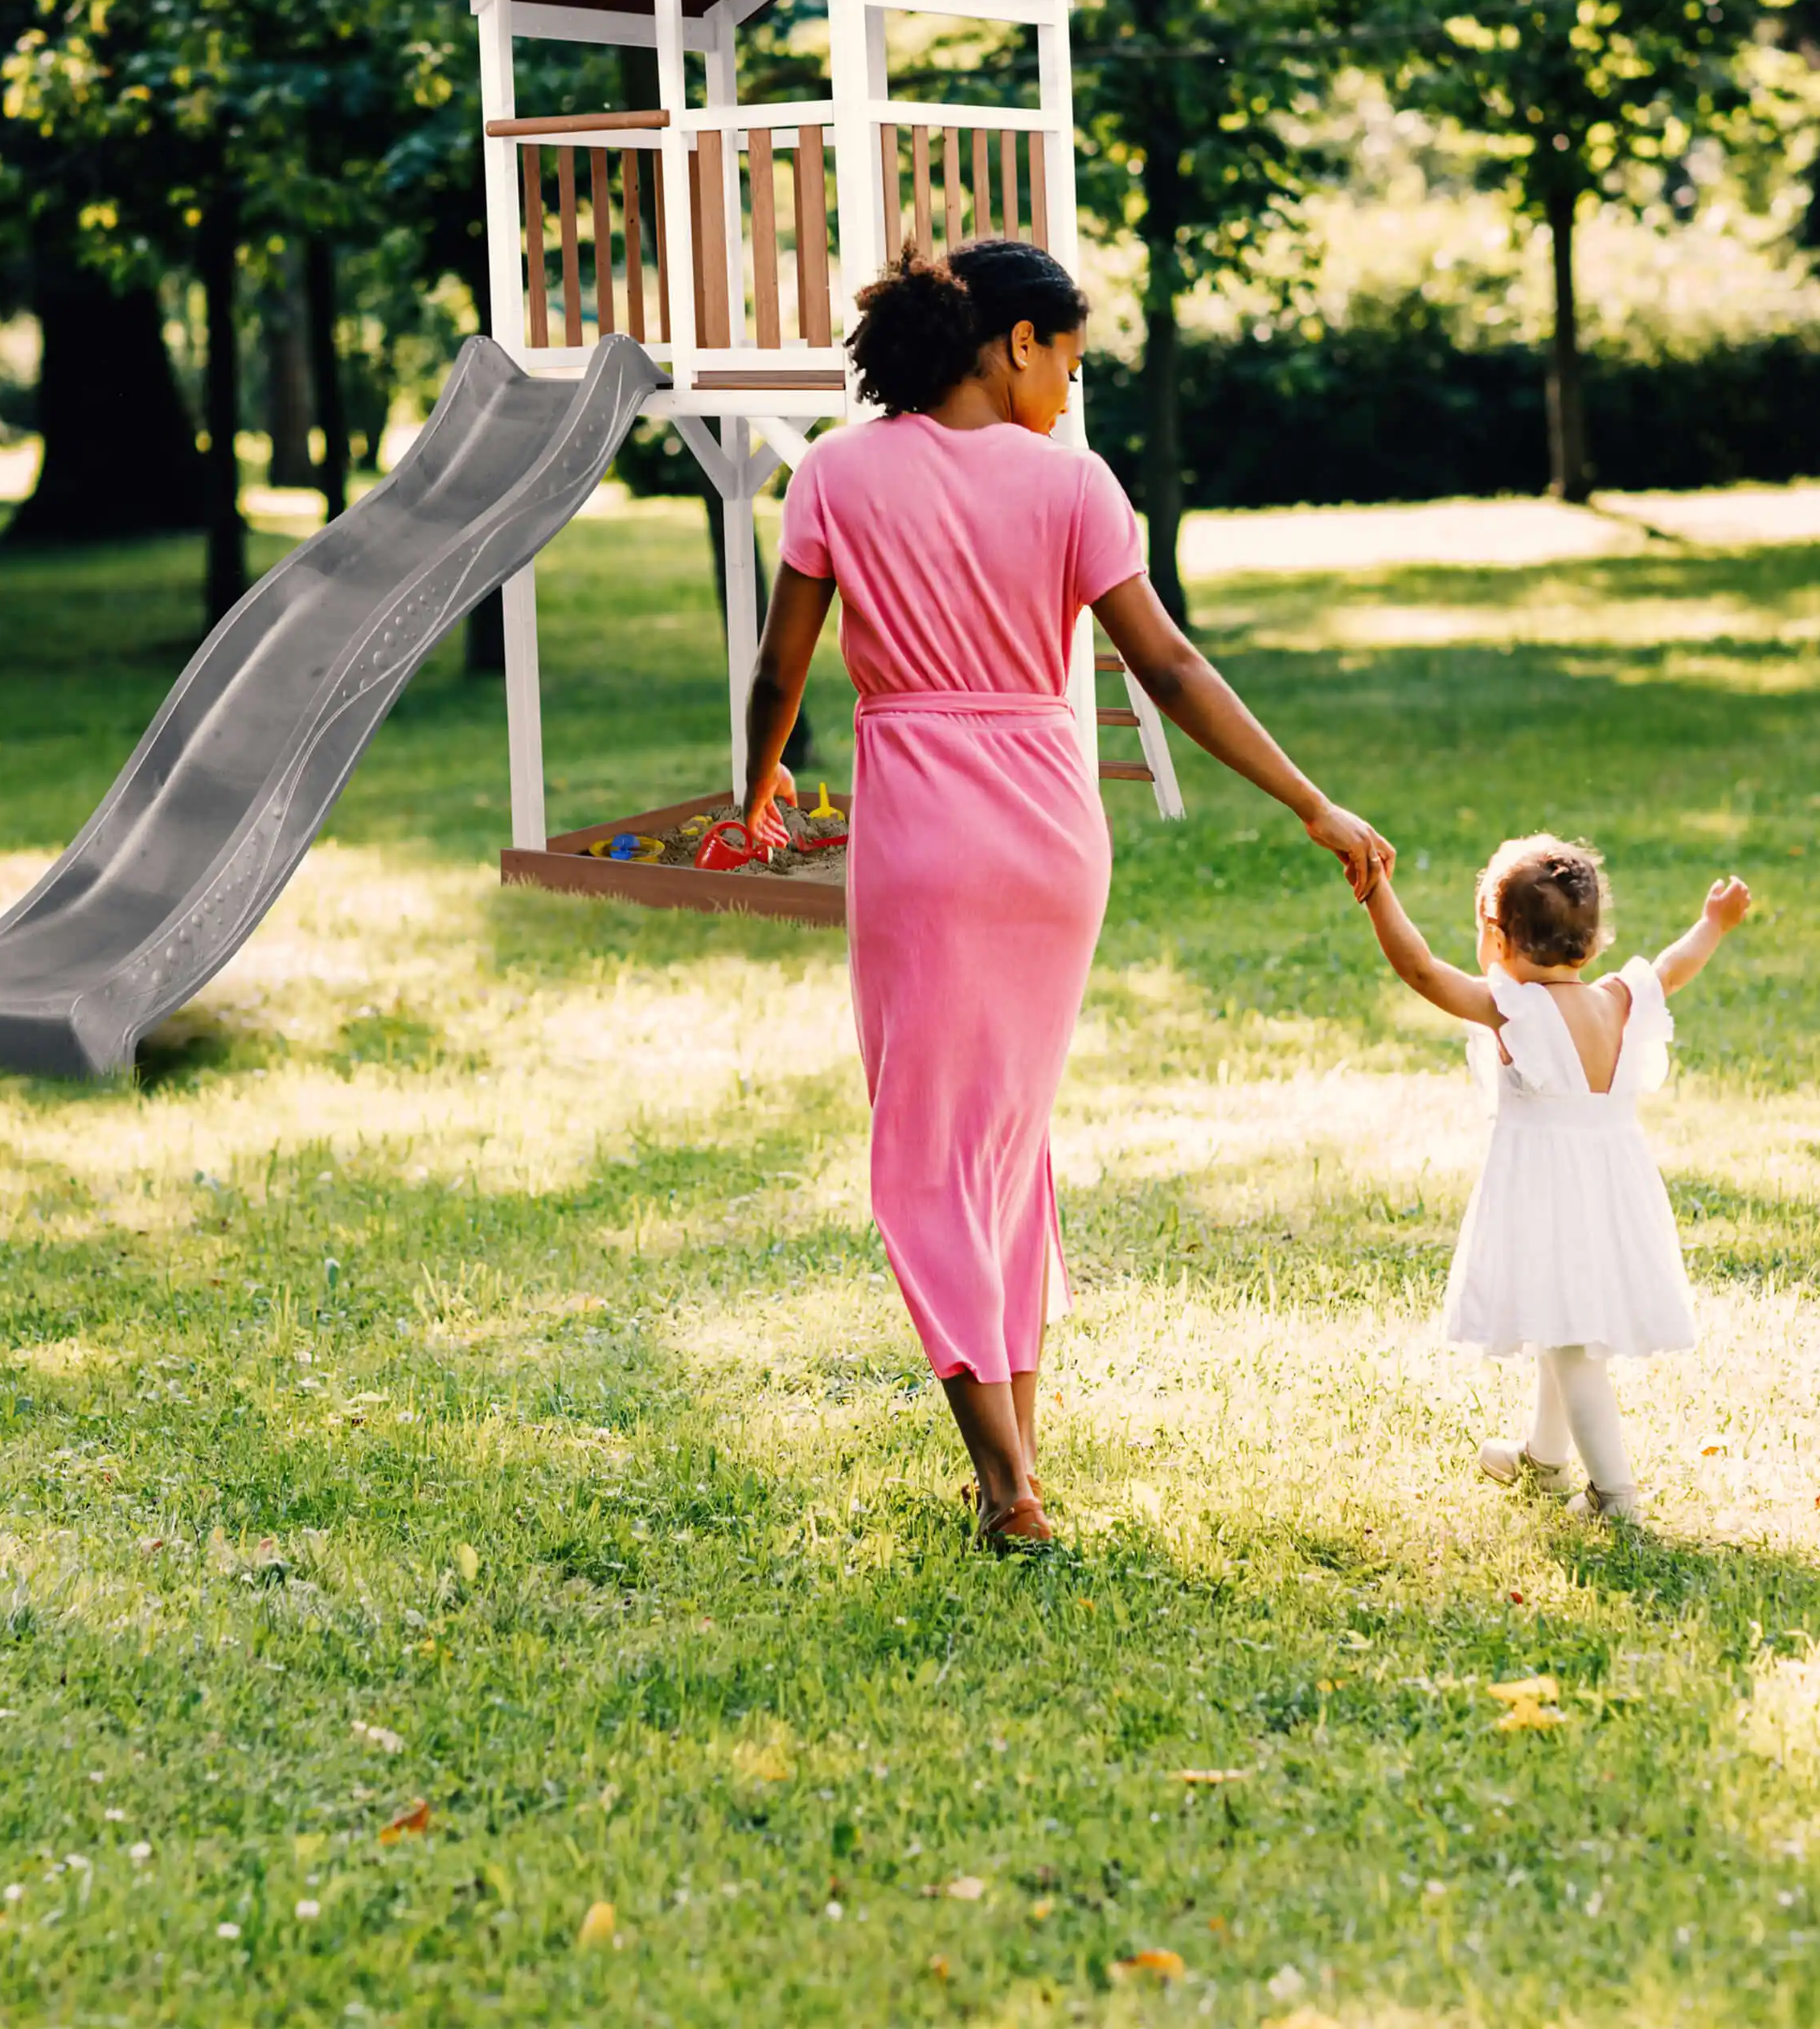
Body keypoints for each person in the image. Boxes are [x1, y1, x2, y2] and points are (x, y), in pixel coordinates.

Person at [738, 241, 1393, 1551]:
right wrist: (1310, 800)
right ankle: (1017, 1462)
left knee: (928, 1153)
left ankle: (1004, 1484)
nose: (1070, 392)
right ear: (1013, 342)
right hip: (1050, 836)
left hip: (923, 836)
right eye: (1069, 363)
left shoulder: (835, 473)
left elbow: (781, 673)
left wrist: (753, 791)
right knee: (1004, 1143)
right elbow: (1170, 668)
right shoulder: (1076, 487)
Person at [1359, 833, 1752, 1521]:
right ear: (1593, 942)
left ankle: (1615, 1496)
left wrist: (1376, 890)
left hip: (1549, 1195)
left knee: (1572, 1345)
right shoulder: (1621, 998)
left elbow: (1420, 970)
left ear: (1498, 938)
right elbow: (1674, 965)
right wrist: (1712, 924)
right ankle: (1544, 1459)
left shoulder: (1514, 1009)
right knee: (1557, 1318)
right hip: (1611, 1191)